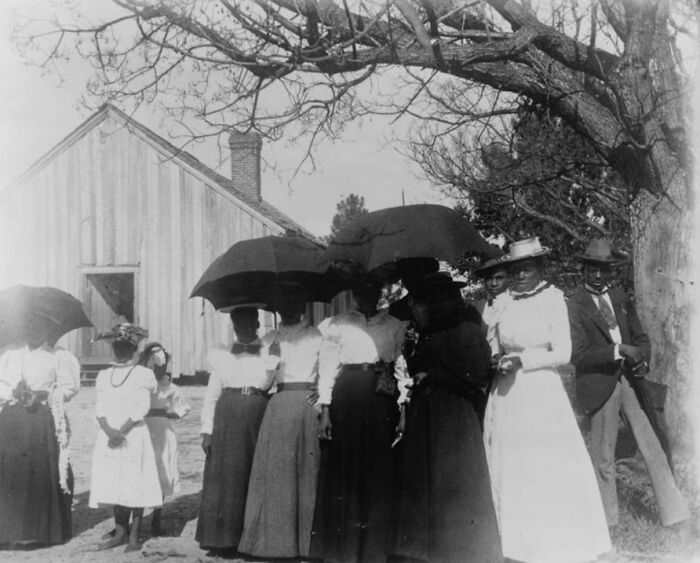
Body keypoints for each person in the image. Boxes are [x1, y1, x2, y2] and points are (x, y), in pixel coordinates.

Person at [483, 237, 611, 563]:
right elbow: (493, 341)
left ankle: (551, 539)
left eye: (526, 269)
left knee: (542, 463)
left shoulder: (554, 300)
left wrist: (523, 361)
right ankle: (513, 543)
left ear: (540, 268)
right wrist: (497, 357)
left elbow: (564, 352)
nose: (520, 275)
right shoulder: (503, 302)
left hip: (540, 393)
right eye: (515, 270)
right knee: (511, 463)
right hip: (507, 394)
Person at [568, 238, 690, 529]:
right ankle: (608, 523)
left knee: (653, 446)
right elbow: (579, 354)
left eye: (604, 270)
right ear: (583, 270)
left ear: (611, 272)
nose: (598, 276)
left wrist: (643, 360)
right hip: (600, 383)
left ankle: (676, 515)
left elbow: (641, 338)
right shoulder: (575, 305)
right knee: (604, 457)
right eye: (592, 270)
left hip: (631, 381)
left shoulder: (621, 298)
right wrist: (618, 350)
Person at [390, 272, 502, 563]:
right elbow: (420, 365)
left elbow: (477, 373)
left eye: (434, 301)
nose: (427, 307)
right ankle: (429, 549)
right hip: (428, 412)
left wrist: (433, 375)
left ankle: (459, 549)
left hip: (455, 414)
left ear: (447, 301)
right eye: (426, 301)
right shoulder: (431, 331)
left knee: (454, 481)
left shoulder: (466, 329)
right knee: (428, 480)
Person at [311, 280, 409, 563]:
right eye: (359, 291)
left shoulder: (394, 325)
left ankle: (374, 549)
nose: (365, 296)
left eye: (372, 290)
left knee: (378, 468)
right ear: (352, 294)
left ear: (380, 293)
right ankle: (342, 548)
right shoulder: (338, 324)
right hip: (347, 396)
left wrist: (403, 406)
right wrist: (325, 409)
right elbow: (328, 368)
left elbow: (402, 368)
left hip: (381, 396)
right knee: (346, 467)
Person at [238, 296, 323, 559]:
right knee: (278, 475)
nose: (289, 309)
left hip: (308, 404)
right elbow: (262, 384)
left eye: (293, 303)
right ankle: (276, 544)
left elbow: (332, 368)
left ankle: (308, 546)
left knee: (307, 473)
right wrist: (271, 361)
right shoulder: (270, 339)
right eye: (284, 305)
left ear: (302, 306)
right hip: (280, 403)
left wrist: (321, 392)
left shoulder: (316, 335)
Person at [195, 306, 276, 556]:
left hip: (258, 411)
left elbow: (272, 381)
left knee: (255, 473)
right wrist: (207, 429)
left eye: (249, 323)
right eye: (239, 324)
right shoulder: (221, 353)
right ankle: (225, 539)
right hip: (227, 415)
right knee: (228, 477)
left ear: (257, 324)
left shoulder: (270, 349)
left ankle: (253, 539)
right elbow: (211, 394)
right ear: (233, 325)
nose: (244, 328)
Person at [0, 314, 80, 546]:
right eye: (29, 326)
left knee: (41, 468)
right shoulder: (10, 356)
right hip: (13, 421)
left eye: (39, 328)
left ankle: (43, 532)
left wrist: (43, 395)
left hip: (42, 419)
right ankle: (10, 532)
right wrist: (13, 392)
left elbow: (69, 388)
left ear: (47, 330)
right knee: (11, 470)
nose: (34, 332)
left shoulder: (57, 357)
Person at [88, 322, 163, 552]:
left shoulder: (143, 374)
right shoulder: (104, 375)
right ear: (113, 350)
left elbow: (141, 407)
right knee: (115, 481)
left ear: (133, 351)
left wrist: (121, 431)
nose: (121, 352)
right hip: (109, 436)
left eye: (125, 348)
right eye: (117, 348)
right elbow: (100, 409)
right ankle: (120, 531)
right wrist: (109, 430)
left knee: (134, 481)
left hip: (132, 435)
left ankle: (134, 534)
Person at [140, 342, 191, 537]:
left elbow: (183, 408)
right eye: (153, 364)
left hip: (161, 430)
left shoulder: (169, 387)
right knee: (142, 470)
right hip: (143, 428)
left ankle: (156, 519)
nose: (157, 368)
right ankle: (132, 519)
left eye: (161, 365)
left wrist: (169, 413)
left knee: (161, 470)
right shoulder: (142, 383)